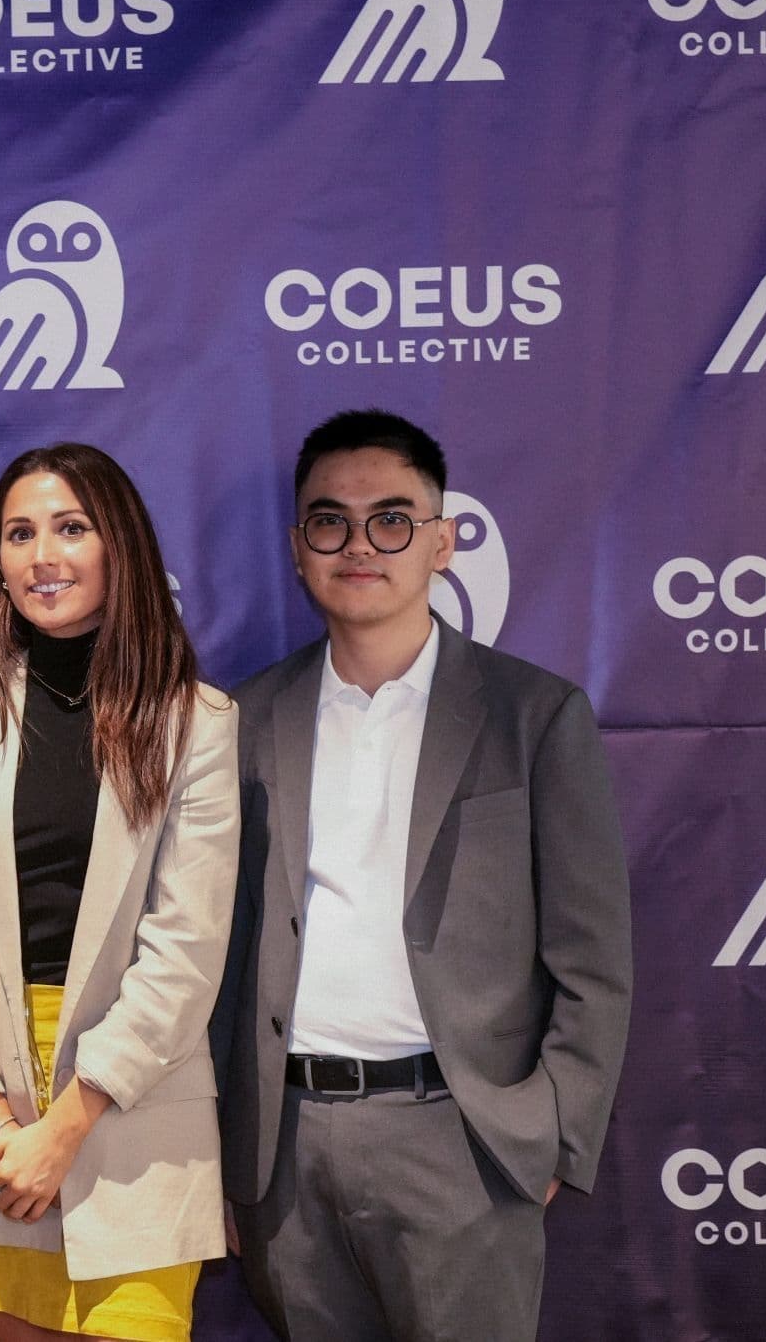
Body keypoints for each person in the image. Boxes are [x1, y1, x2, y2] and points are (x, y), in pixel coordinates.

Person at [215, 410, 634, 1341]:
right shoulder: (239, 720)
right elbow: (220, 950)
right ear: (298, 548)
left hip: (464, 1143)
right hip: (285, 1153)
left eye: (392, 519)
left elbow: (593, 956)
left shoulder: (534, 715)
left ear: (442, 541)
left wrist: (551, 1127)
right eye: (330, 520)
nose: (360, 543)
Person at [0, 442, 240, 1342]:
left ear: (118, 545)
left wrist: (64, 1126)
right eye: (19, 533)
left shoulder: (196, 722)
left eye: (70, 527)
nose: (42, 554)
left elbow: (186, 950)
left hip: (132, 1098)